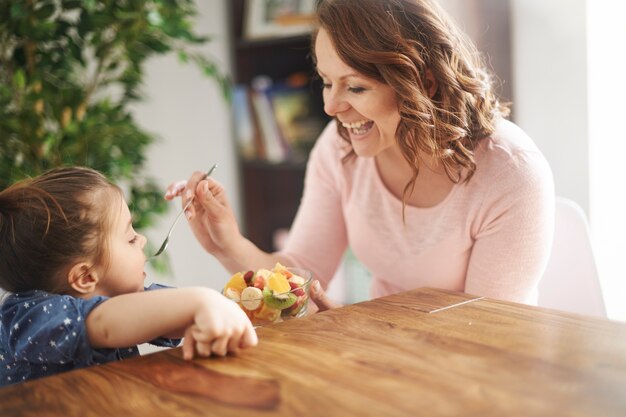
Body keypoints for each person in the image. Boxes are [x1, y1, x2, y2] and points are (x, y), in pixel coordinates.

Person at [167, 0, 554, 310]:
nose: (331, 107)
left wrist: (357, 333)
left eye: (355, 88)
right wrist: (227, 243)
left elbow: (485, 332)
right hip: (383, 360)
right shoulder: (339, 150)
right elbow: (304, 277)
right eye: (326, 82)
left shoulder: (510, 174)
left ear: (424, 83)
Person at [0, 167, 257, 386]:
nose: (142, 239)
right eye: (131, 237)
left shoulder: (123, 300)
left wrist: (214, 313)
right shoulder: (27, 317)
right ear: (86, 277)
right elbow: (105, 322)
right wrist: (202, 301)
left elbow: (167, 314)